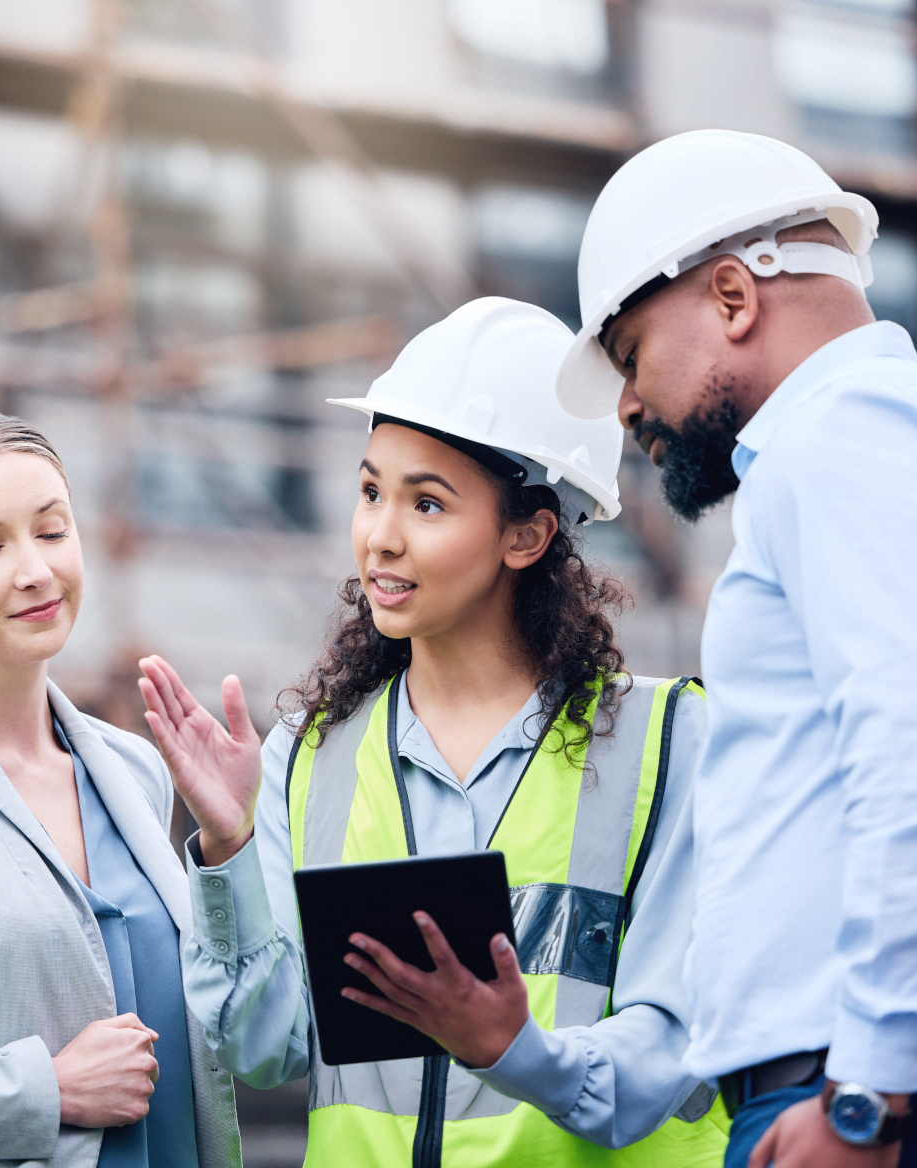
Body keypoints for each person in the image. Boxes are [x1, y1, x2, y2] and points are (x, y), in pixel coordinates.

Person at [556, 127, 917, 1167]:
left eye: (630, 355)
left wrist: (866, 1093)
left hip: (912, 1096)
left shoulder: (846, 432)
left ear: (733, 296)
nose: (627, 406)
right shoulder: (899, 429)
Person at [138, 297, 730, 1168]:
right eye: (370, 491)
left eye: (427, 504)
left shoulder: (666, 743)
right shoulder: (308, 756)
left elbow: (677, 1049)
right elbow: (266, 1047)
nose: (380, 537)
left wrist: (515, 1052)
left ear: (527, 535)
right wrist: (228, 850)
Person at [0, 406, 241, 1168]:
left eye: (51, 531)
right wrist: (43, 1091)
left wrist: (230, 842)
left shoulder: (134, 770)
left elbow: (237, 1030)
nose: (36, 570)